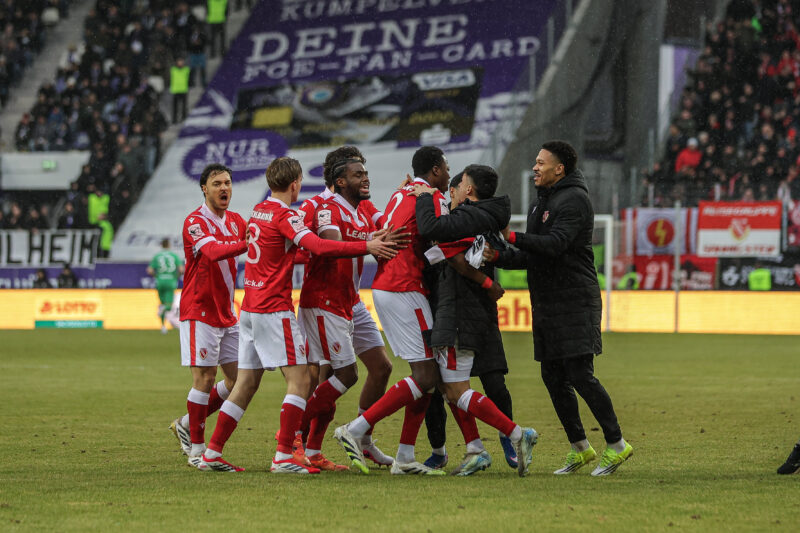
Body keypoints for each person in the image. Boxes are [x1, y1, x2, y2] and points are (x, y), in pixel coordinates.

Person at [197, 157, 399, 473]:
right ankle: (283, 455)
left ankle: (212, 453)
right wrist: (367, 246)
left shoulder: (258, 210)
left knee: (245, 383)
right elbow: (318, 246)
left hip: (249, 307)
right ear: (295, 184)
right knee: (301, 379)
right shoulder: (285, 216)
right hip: (272, 309)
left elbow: (291, 251)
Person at [484, 140, 632, 476]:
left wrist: (512, 236)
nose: (534, 168)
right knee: (552, 375)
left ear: (559, 168)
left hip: (575, 299)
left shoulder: (574, 199)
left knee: (580, 373)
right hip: (549, 301)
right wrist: (501, 255)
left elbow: (556, 245)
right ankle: (580, 447)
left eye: (540, 162)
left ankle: (617, 444)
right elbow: (533, 255)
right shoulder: (543, 203)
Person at [332, 146, 453, 476]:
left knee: (428, 376)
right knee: (426, 375)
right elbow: (446, 232)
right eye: (446, 168)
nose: (449, 174)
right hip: (404, 287)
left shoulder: (402, 194)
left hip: (391, 286)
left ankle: (404, 456)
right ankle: (356, 429)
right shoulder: (430, 197)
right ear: (435, 171)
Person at [412, 168, 528, 475]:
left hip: (473, 310)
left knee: (490, 380)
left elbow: (498, 255)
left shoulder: (472, 221)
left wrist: (492, 262)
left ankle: (508, 436)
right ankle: (441, 449)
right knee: (438, 387)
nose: (454, 194)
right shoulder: (453, 223)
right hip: (443, 306)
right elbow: (439, 256)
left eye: (459, 187)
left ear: (464, 192)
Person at [295, 146, 398, 470]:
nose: (365, 179)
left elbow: (390, 229)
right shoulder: (326, 208)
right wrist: (368, 244)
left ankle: (362, 438)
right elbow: (329, 242)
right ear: (341, 181)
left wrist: (409, 193)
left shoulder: (365, 208)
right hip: (325, 300)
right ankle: (292, 439)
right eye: (358, 175)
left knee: (381, 367)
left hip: (350, 300)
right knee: (340, 373)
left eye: (365, 173)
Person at [168, 163, 248, 467]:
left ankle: (187, 424)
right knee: (204, 378)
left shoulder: (238, 221)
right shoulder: (195, 222)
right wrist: (246, 243)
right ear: (204, 188)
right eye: (217, 183)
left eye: (227, 182)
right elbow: (213, 252)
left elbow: (261, 239)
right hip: (199, 310)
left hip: (227, 313)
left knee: (239, 378)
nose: (224, 188)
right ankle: (198, 450)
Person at [147, 238, 184, 333]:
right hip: (170, 280)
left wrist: (157, 276)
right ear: (169, 245)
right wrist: (175, 277)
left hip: (160, 281)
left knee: (162, 303)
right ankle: (162, 312)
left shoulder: (157, 256)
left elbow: (150, 270)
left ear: (161, 245)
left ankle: (163, 326)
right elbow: (181, 269)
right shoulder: (174, 256)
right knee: (169, 305)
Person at [170, 58, 190, 124]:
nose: (180, 63)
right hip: (175, 90)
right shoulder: (173, 70)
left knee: (184, 106)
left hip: (183, 89)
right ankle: (174, 120)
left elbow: (189, 78)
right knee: (175, 106)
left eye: (181, 61)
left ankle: (184, 118)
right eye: (179, 61)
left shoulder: (186, 69)